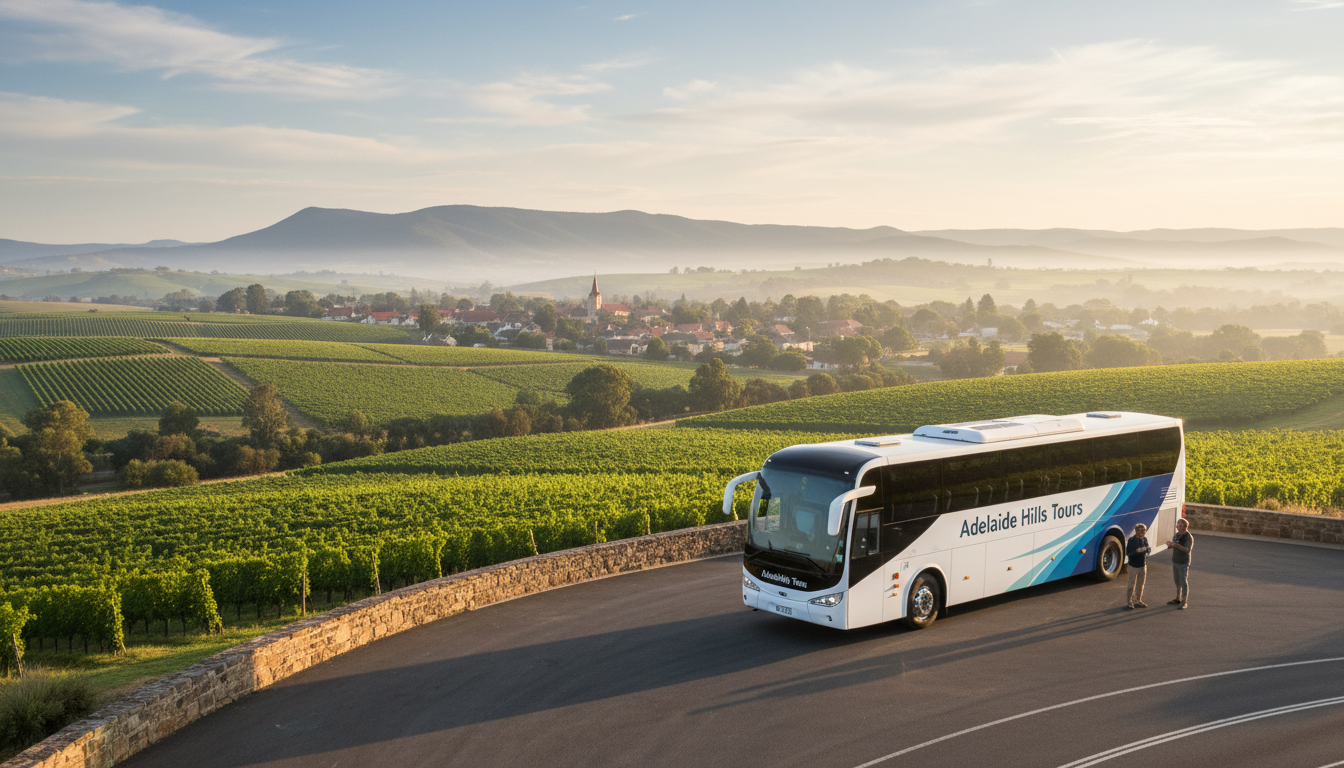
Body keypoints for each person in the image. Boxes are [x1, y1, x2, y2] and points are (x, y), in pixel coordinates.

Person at [1167, 518, 1194, 609]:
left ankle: (1184, 601)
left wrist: (1177, 546)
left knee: (1183, 582)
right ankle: (1178, 598)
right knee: (1177, 581)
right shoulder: (1176, 535)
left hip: (1183, 562)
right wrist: (1170, 546)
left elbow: (1187, 549)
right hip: (1175, 560)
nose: (1178, 525)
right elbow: (1174, 546)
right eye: (1178, 523)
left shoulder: (1188, 537)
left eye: (1181, 524)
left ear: (1185, 526)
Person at [1126, 523, 1151, 609]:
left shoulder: (1144, 539)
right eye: (1139, 530)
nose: (1141, 532)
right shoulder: (1132, 540)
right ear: (1136, 531)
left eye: (1143, 530)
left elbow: (1148, 548)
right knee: (1131, 585)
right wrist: (1137, 551)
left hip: (1143, 565)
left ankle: (1138, 600)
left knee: (1141, 585)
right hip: (1133, 566)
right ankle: (1129, 601)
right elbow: (1128, 553)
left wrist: (1146, 551)